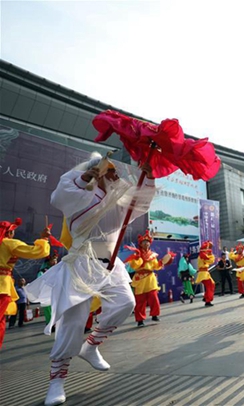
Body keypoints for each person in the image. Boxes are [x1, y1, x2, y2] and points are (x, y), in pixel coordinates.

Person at [25, 153, 156, 406]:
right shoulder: (79, 194)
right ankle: (56, 381)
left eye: (113, 171)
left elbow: (140, 205)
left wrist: (148, 178)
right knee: (72, 323)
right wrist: (87, 175)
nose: (113, 174)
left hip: (110, 263)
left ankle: (92, 345)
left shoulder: (119, 197)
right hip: (81, 262)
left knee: (125, 303)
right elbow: (58, 196)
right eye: (108, 170)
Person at [0, 218, 50, 349]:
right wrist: (44, 239)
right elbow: (37, 252)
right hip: (2, 287)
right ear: (9, 233)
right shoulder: (8, 243)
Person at [126, 230, 173, 327]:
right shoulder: (136, 255)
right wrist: (138, 258)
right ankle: (140, 320)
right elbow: (135, 266)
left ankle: (155, 315)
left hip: (150, 279)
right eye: (144, 242)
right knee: (140, 301)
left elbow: (156, 266)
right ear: (141, 244)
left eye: (148, 242)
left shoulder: (153, 255)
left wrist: (163, 261)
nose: (146, 243)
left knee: (154, 298)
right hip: (140, 278)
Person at [38, 251, 59, 326]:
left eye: (56, 259)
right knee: (48, 308)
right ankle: (50, 323)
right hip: (47, 293)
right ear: (49, 261)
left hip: (57, 292)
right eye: (53, 259)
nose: (55, 261)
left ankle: (56, 323)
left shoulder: (59, 269)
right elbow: (40, 281)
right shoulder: (43, 271)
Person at [195, 241, 216, 307]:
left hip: (204, 274)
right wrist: (211, 254)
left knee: (210, 285)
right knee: (210, 286)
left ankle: (206, 298)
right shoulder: (203, 256)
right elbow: (211, 261)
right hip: (204, 274)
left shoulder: (202, 255)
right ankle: (208, 300)